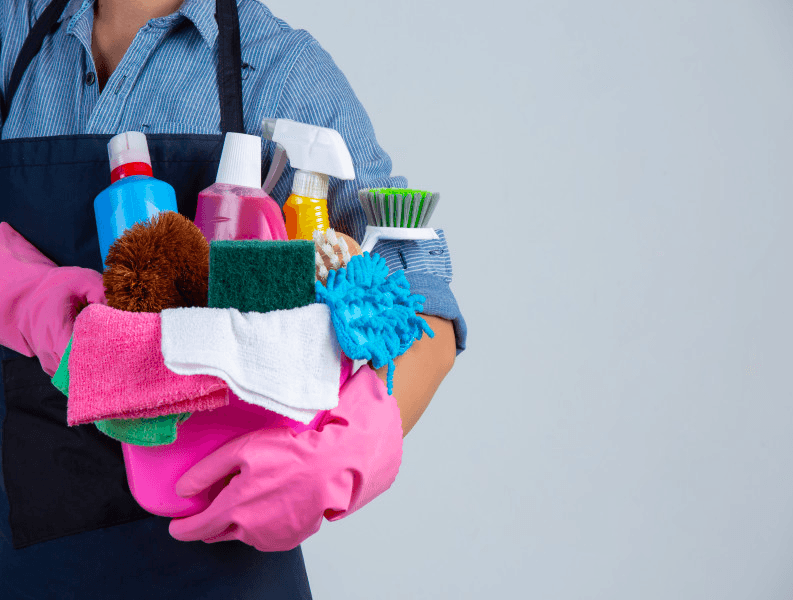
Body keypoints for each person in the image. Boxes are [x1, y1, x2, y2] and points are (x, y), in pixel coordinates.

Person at [0, 0, 467, 597]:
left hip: (218, 558)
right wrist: (30, 298)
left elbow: (426, 309)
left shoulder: (278, 68)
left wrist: (349, 450)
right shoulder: (15, 35)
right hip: (25, 550)